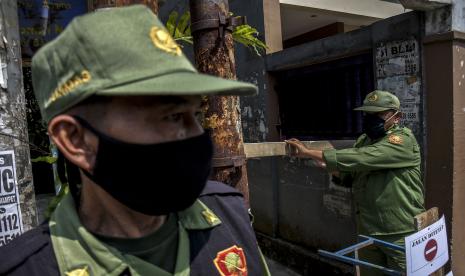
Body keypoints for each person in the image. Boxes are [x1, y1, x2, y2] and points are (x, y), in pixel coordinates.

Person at [0, 5, 270, 276]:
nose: (197, 135)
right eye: (173, 116)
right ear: (75, 140)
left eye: (195, 114)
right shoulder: (28, 269)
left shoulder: (229, 215)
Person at [285, 90, 425, 275]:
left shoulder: (402, 141)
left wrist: (308, 152)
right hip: (368, 228)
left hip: (399, 232)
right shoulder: (364, 140)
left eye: (378, 114)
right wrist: (326, 164)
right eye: (368, 114)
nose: (371, 118)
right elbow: (350, 175)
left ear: (396, 117)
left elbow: (363, 158)